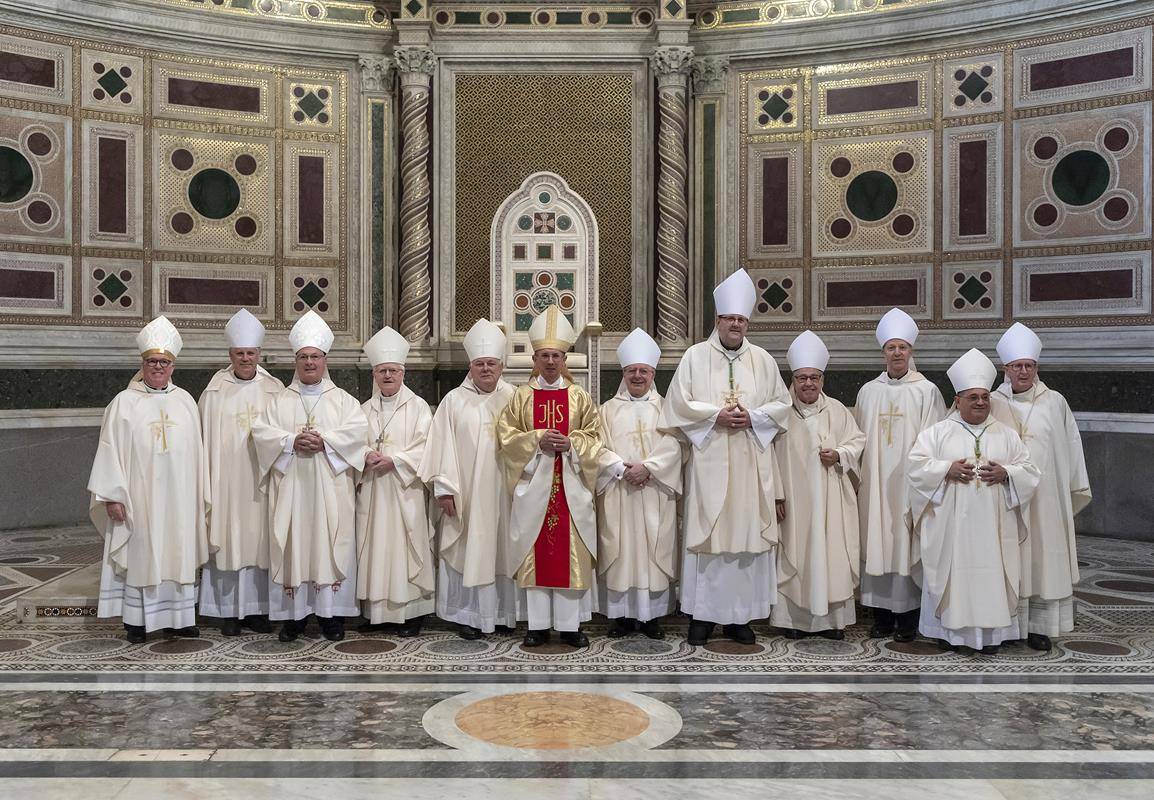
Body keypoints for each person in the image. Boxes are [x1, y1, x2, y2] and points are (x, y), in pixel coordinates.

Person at [659, 269, 791, 646]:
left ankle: (739, 620)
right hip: (710, 461)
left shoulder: (763, 360)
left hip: (751, 463)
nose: (736, 324)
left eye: (742, 319)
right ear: (717, 320)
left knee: (746, 541)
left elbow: (782, 405)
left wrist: (753, 416)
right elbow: (677, 404)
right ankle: (702, 617)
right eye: (730, 318)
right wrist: (714, 415)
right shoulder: (694, 357)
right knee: (710, 539)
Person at [909, 348, 1040, 655]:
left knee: (991, 573)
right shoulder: (937, 434)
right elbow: (914, 467)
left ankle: (992, 636)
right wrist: (946, 469)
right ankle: (948, 633)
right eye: (973, 397)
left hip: (995, 530)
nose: (981, 402)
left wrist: (1007, 473)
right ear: (957, 400)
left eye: (984, 397)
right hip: (951, 528)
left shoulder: (1006, 435)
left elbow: (1031, 470)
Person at [88, 316, 208, 643]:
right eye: (152, 361)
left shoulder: (186, 402)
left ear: (173, 366)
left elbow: (197, 454)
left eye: (164, 362)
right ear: (142, 364)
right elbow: (109, 452)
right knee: (142, 552)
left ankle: (181, 618)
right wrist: (112, 496)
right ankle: (137, 621)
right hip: (138, 499)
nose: (158, 367)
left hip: (180, 499)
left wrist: (199, 495)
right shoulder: (123, 403)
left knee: (177, 549)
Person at [252, 310, 368, 643]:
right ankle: (295, 617)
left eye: (314, 357)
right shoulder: (278, 401)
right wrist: (290, 441)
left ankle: (331, 617)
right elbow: (261, 433)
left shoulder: (344, 401)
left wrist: (325, 441)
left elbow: (358, 433)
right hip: (293, 491)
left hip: (330, 489)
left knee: (328, 544)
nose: (309, 363)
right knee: (295, 545)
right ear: (296, 361)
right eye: (303, 357)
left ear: (324, 359)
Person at [496, 305, 602, 648]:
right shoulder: (521, 398)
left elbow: (596, 438)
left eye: (556, 355)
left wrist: (572, 443)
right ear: (535, 359)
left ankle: (570, 627)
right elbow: (506, 437)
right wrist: (535, 439)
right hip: (534, 487)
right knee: (535, 551)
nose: (551, 362)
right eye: (544, 355)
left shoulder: (579, 397)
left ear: (565, 358)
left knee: (570, 553)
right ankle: (538, 626)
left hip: (571, 486)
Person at [991, 322, 1091, 651]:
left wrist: (1070, 486)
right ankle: (1003, 622)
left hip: (1045, 496)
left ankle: (1038, 627)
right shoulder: (990, 401)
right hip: (1003, 495)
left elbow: (1070, 447)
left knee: (1042, 559)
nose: (1024, 371)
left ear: (1036, 368)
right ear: (1005, 369)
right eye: (1017, 366)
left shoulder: (1055, 402)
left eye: (1029, 366)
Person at [419, 318, 519, 640]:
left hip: (506, 492)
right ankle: (468, 614)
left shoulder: (516, 398)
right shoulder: (453, 401)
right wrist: (444, 490)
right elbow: (441, 446)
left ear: (501, 366)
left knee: (503, 549)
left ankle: (504, 613)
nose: (486, 369)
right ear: (471, 366)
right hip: (466, 495)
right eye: (480, 364)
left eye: (491, 363)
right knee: (467, 548)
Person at [854, 308, 946, 643]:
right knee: (878, 538)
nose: (897, 353)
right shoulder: (868, 392)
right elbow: (859, 441)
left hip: (910, 485)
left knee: (905, 542)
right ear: (883, 353)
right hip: (875, 483)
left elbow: (936, 441)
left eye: (902, 347)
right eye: (891, 348)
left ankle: (907, 616)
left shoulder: (927, 392)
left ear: (911, 352)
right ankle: (880, 615)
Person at [771, 331, 865, 640]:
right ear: (793, 380)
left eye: (814, 377)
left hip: (830, 499)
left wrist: (840, 454)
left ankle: (832, 622)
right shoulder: (779, 414)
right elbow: (767, 455)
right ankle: (793, 621)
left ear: (822, 379)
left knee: (830, 555)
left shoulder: (837, 410)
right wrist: (777, 497)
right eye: (802, 378)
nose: (808, 383)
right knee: (794, 556)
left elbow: (857, 442)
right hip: (793, 503)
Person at [197, 309, 283, 636]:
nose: (245, 358)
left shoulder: (274, 389)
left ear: (259, 354)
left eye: (250, 353)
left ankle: (259, 611)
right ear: (230, 354)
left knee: (259, 541)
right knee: (228, 538)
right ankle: (228, 612)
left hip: (261, 480)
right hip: (226, 482)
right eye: (239, 353)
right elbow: (204, 442)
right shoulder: (214, 391)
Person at [595, 328, 683, 639]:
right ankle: (620, 617)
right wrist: (620, 468)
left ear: (652, 373)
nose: (637, 376)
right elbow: (597, 447)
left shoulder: (666, 408)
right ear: (623, 373)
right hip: (619, 491)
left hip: (654, 490)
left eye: (643, 371)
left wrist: (648, 468)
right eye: (632, 370)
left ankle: (651, 617)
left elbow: (676, 445)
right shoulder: (606, 410)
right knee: (621, 550)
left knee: (652, 551)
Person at [356, 326, 436, 637]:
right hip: (375, 490)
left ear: (402, 373)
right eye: (381, 371)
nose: (387, 376)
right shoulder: (364, 410)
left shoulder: (418, 408)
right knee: (375, 547)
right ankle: (377, 614)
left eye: (392, 370)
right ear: (374, 375)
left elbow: (426, 445)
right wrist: (365, 455)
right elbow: (354, 441)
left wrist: (395, 460)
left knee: (406, 547)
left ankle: (411, 614)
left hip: (405, 490)